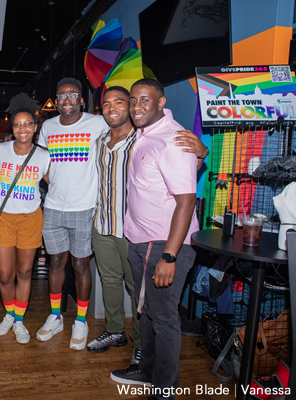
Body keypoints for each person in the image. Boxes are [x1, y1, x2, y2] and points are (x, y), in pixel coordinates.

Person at [87, 86, 208, 363]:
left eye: (120, 102)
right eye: (107, 104)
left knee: (139, 292)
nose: (113, 108)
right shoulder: (101, 139)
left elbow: (182, 173)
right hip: (104, 223)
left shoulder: (142, 137)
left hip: (134, 231)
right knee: (109, 282)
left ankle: (141, 347)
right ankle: (115, 330)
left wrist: (202, 152)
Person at [109, 79, 199, 400]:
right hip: (141, 241)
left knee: (163, 319)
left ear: (161, 103)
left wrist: (170, 256)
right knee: (145, 310)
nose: (136, 107)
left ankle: (164, 390)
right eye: (133, 100)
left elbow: (186, 201)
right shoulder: (146, 134)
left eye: (144, 101)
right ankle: (146, 371)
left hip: (163, 244)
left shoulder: (172, 140)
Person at [35, 77, 109, 350]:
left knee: (80, 265)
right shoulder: (47, 126)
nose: (66, 99)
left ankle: (80, 320)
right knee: (55, 262)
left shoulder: (98, 123)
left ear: (81, 99)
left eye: (72, 95)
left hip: (84, 206)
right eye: (61, 95)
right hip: (53, 206)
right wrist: (52, 180)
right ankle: (55, 317)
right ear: (56, 101)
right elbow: (41, 160)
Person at [0, 93, 50, 344]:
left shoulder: (44, 155)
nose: (22, 129)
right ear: (12, 128)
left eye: (27, 124)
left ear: (35, 127)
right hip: (3, 218)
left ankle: (19, 320)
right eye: (17, 124)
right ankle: (9, 314)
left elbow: (55, 185)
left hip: (30, 219)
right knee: (5, 275)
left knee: (25, 272)